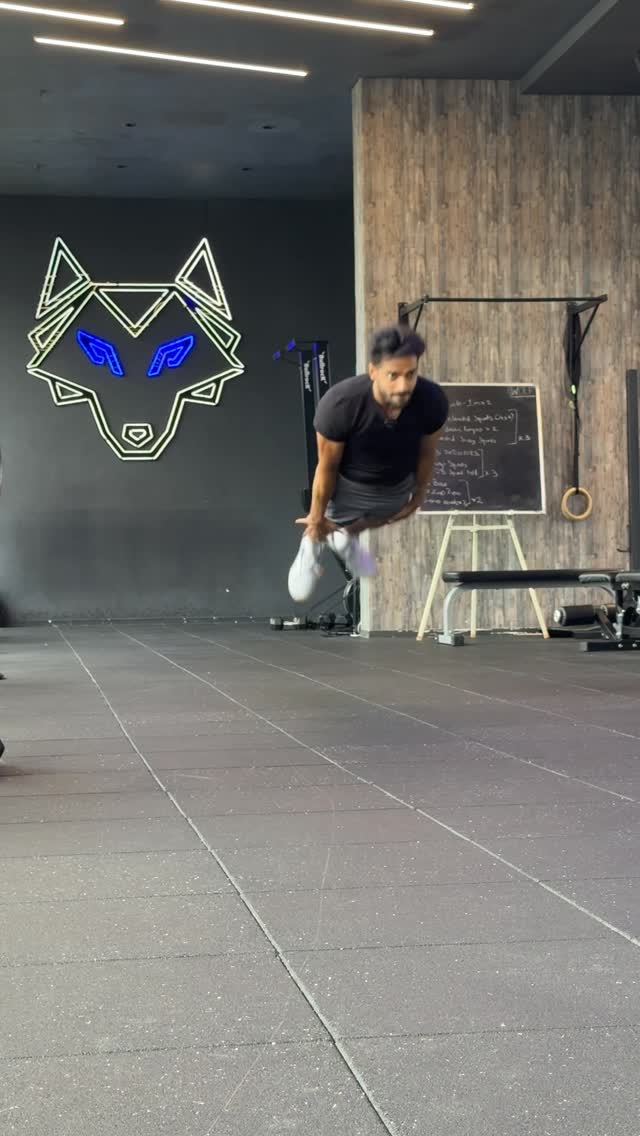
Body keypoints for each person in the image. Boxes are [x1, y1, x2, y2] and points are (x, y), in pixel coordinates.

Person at [288, 323, 448, 603]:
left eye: (410, 374)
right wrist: (315, 517)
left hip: (396, 486)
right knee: (329, 520)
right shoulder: (340, 405)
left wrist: (420, 495)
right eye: (393, 375)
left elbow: (427, 452)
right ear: (373, 371)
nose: (403, 386)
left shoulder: (432, 401)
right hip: (349, 485)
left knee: (382, 515)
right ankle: (311, 544)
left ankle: (344, 536)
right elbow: (327, 466)